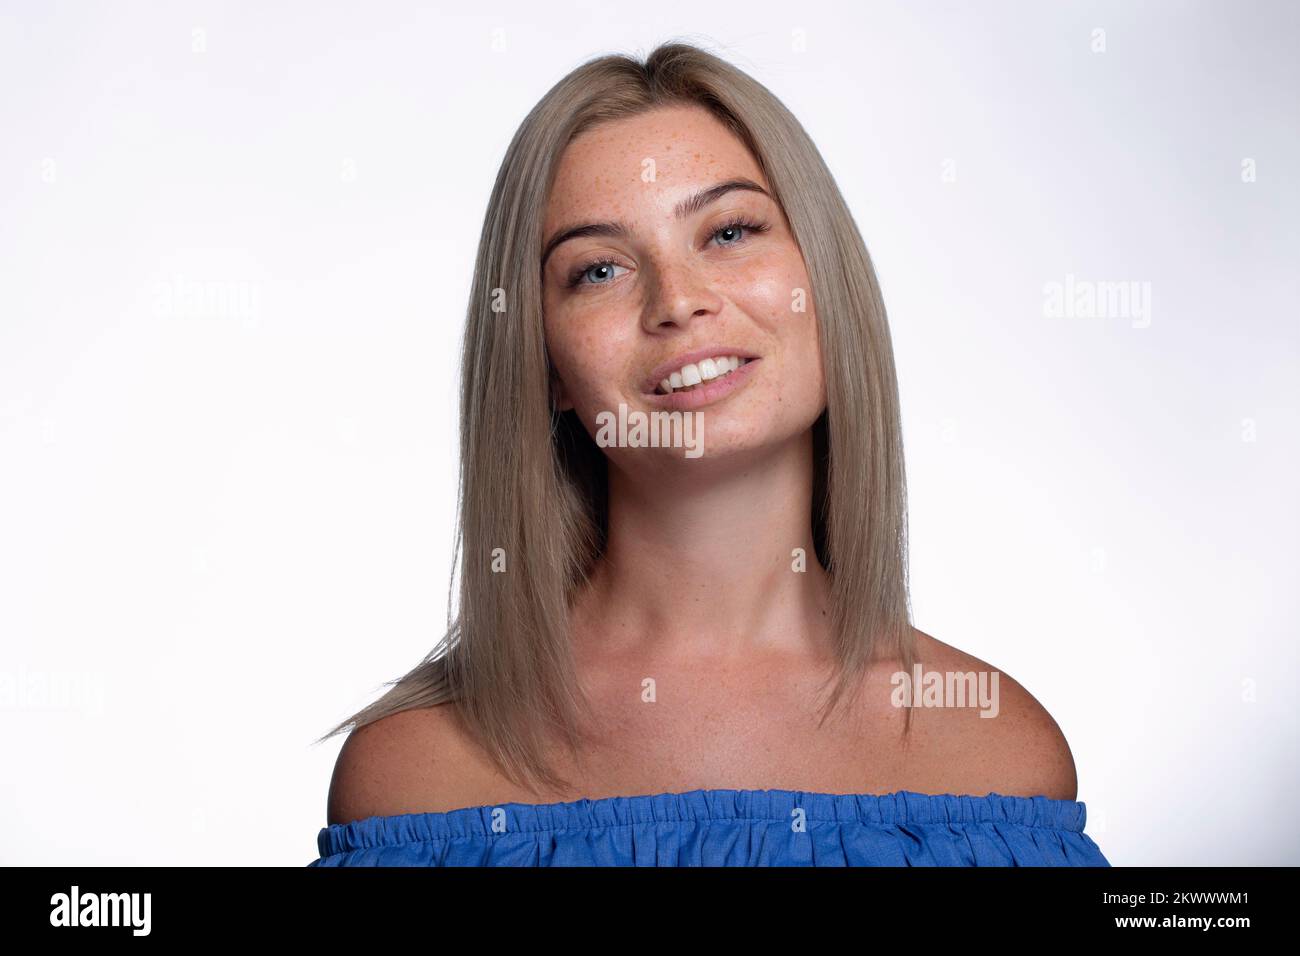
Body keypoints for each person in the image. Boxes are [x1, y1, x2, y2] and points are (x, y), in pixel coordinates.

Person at [308, 40, 1110, 867]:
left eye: (729, 230)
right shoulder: (415, 771)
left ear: (825, 284)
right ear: (543, 363)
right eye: (598, 270)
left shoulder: (996, 758)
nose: (680, 301)